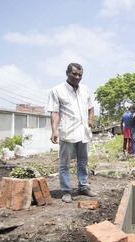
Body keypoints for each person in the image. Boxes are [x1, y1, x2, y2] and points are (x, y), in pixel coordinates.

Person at [47, 63, 97, 203]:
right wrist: (54, 130)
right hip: (67, 131)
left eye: (80, 75)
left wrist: (91, 120)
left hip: (84, 132)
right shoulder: (57, 90)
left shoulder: (86, 90)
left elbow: (91, 107)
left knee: (83, 162)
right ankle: (66, 191)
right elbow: (55, 112)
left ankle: (83, 187)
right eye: (74, 74)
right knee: (64, 164)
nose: (77, 77)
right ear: (67, 73)